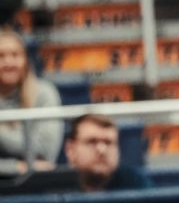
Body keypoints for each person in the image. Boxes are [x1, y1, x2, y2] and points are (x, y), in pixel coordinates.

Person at [0, 29, 63, 178]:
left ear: (26, 60)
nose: (9, 62)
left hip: (37, 184)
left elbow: (45, 150)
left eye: (15, 55)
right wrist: (16, 167)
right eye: (1, 56)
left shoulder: (45, 92)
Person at [64, 113, 151, 191]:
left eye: (108, 142)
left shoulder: (136, 185)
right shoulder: (55, 188)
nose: (102, 150)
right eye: (92, 142)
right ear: (70, 149)